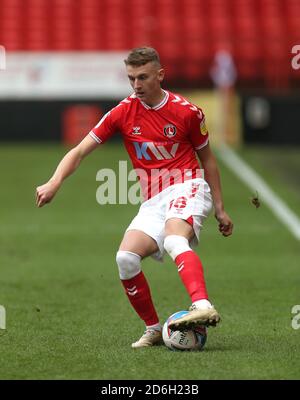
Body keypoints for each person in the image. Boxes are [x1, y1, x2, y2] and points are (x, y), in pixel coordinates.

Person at [36, 47, 233, 348]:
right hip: (153, 199)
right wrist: (54, 182)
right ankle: (154, 329)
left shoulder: (187, 112)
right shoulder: (122, 112)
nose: (137, 85)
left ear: (160, 75)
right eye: (131, 78)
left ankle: (202, 305)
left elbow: (208, 160)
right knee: (125, 258)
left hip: (188, 185)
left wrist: (219, 207)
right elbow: (79, 151)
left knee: (173, 240)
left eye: (143, 77)